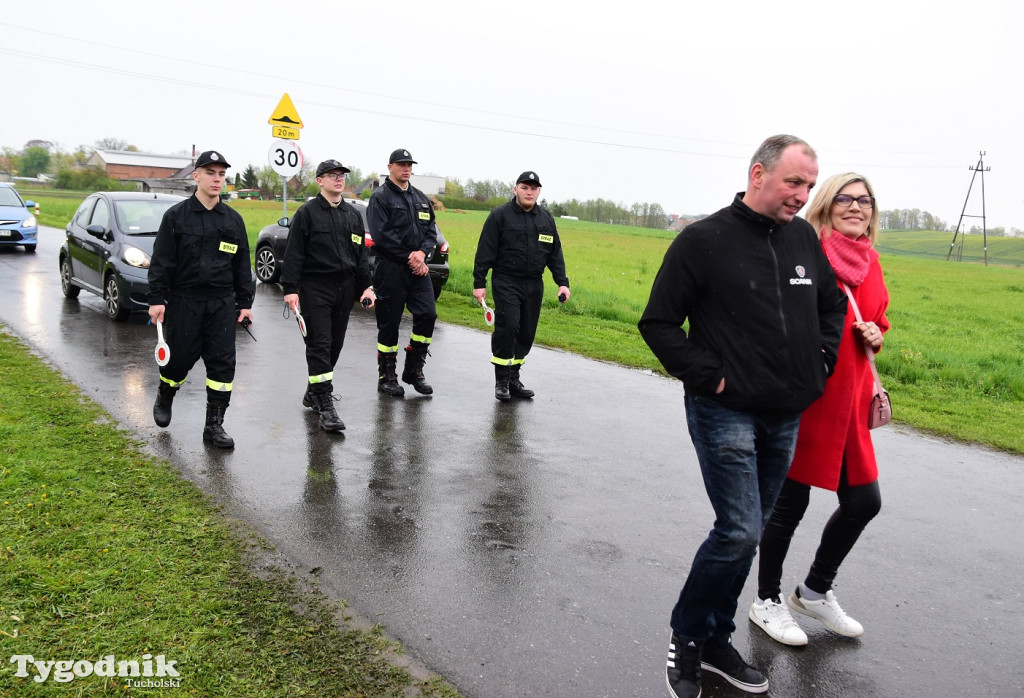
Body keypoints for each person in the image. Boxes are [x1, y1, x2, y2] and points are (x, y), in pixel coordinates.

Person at [638, 135, 848, 698]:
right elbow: (658, 324)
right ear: (758, 174)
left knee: (748, 533)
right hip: (723, 410)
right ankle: (687, 638)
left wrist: (821, 361)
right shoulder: (703, 240)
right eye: (793, 183)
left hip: (785, 413)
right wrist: (713, 376)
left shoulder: (803, 237)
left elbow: (831, 306)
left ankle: (715, 641)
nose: (804, 196)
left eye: (809, 184)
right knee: (738, 529)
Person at [749, 173, 889, 646]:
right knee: (790, 505)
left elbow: (878, 317)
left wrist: (877, 335)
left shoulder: (871, 263)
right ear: (826, 206)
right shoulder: (806, 254)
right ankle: (766, 600)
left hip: (850, 408)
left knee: (864, 502)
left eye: (864, 200)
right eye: (844, 199)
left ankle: (813, 590)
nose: (855, 206)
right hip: (807, 401)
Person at [148, 150, 255, 449]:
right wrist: (157, 299)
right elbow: (162, 262)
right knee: (179, 360)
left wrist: (245, 303)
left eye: (221, 174)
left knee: (223, 366)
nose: (217, 179)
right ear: (196, 176)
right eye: (211, 173)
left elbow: (241, 265)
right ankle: (165, 394)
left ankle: (214, 426)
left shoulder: (233, 220)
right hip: (185, 301)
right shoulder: (177, 217)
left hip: (221, 303)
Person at [281, 159, 375, 433]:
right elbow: (294, 253)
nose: (338, 179)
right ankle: (325, 407)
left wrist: (366, 286)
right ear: (319, 181)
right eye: (332, 175)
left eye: (342, 175)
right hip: (314, 289)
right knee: (319, 345)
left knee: (334, 346)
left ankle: (314, 391)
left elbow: (360, 257)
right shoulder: (307, 213)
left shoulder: (352, 215)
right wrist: (290, 289)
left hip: (344, 290)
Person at [472, 171, 571, 401]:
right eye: (525, 187)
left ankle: (514, 378)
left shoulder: (546, 219)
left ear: (539, 192)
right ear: (515, 189)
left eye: (533, 188)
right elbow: (485, 251)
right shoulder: (500, 215)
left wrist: (562, 283)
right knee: (508, 326)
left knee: (526, 331)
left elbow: (555, 254)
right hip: (506, 280)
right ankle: (502, 382)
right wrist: (479, 283)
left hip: (534, 283)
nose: (529, 192)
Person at [367, 148, 438, 397]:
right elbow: (381, 234)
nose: (406, 168)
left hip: (418, 270)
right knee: (389, 324)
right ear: (390, 168)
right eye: (401, 164)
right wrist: (410, 256)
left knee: (428, 315)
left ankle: (413, 370)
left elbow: (431, 229)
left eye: (409, 164)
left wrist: (423, 254)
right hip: (391, 269)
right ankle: (387, 377)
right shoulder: (380, 198)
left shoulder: (420, 197)